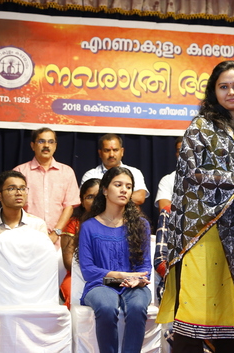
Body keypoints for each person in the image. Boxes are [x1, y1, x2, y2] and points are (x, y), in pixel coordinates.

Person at [156, 60, 234, 353]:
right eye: (223, 87)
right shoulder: (200, 127)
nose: (231, 92)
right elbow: (193, 173)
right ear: (214, 92)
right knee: (198, 309)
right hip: (204, 230)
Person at [76, 167, 152, 353]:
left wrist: (138, 279)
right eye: (118, 185)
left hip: (133, 284)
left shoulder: (141, 224)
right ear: (104, 190)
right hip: (101, 284)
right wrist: (119, 276)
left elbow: (145, 266)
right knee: (106, 306)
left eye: (128, 186)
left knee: (137, 306)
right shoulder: (89, 226)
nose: (124, 190)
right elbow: (88, 270)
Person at [0, 170, 48, 309]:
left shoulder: (37, 224)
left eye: (22, 188)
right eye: (12, 188)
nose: (19, 193)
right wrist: (7, 274)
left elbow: (43, 259)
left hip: (29, 277)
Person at [13, 127, 79, 246]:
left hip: (58, 240)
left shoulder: (67, 172)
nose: (46, 145)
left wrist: (56, 233)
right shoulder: (20, 172)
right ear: (32, 145)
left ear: (55, 145)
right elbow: (14, 207)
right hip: (26, 237)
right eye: (41, 141)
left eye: (51, 142)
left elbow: (69, 206)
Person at [60, 177, 101, 308]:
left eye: (99, 196)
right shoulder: (74, 224)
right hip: (78, 276)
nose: (95, 201)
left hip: (109, 276)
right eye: (90, 197)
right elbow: (68, 262)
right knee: (74, 295)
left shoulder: (116, 221)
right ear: (82, 202)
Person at [81, 133, 150, 206]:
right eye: (107, 150)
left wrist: (105, 198)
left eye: (115, 150)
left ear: (122, 151)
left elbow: (139, 198)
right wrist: (121, 198)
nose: (111, 154)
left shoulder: (134, 172)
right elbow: (88, 201)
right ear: (100, 153)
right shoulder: (90, 175)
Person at [154, 137, 182, 211]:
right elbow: (165, 210)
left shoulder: (208, 177)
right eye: (180, 151)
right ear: (176, 154)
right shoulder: (167, 180)